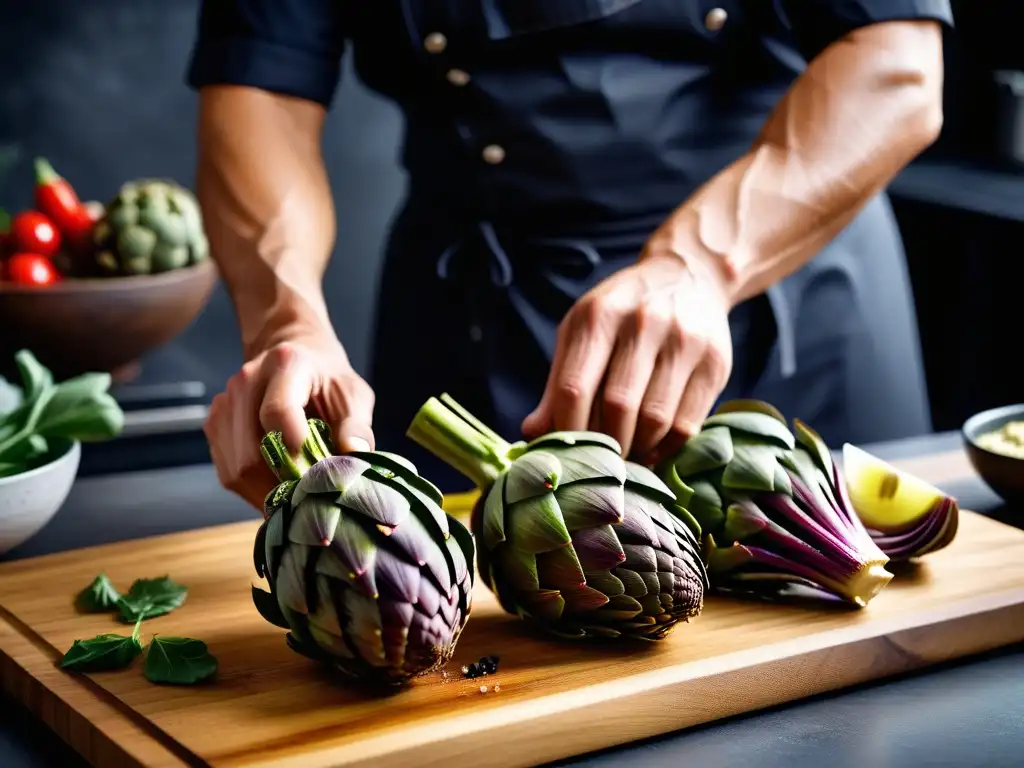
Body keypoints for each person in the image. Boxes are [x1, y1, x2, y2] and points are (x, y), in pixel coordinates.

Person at [188, 1, 951, 509]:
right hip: (471, 317)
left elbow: (896, 59)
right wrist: (284, 317)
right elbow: (264, 85)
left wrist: (699, 264)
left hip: (777, 273)